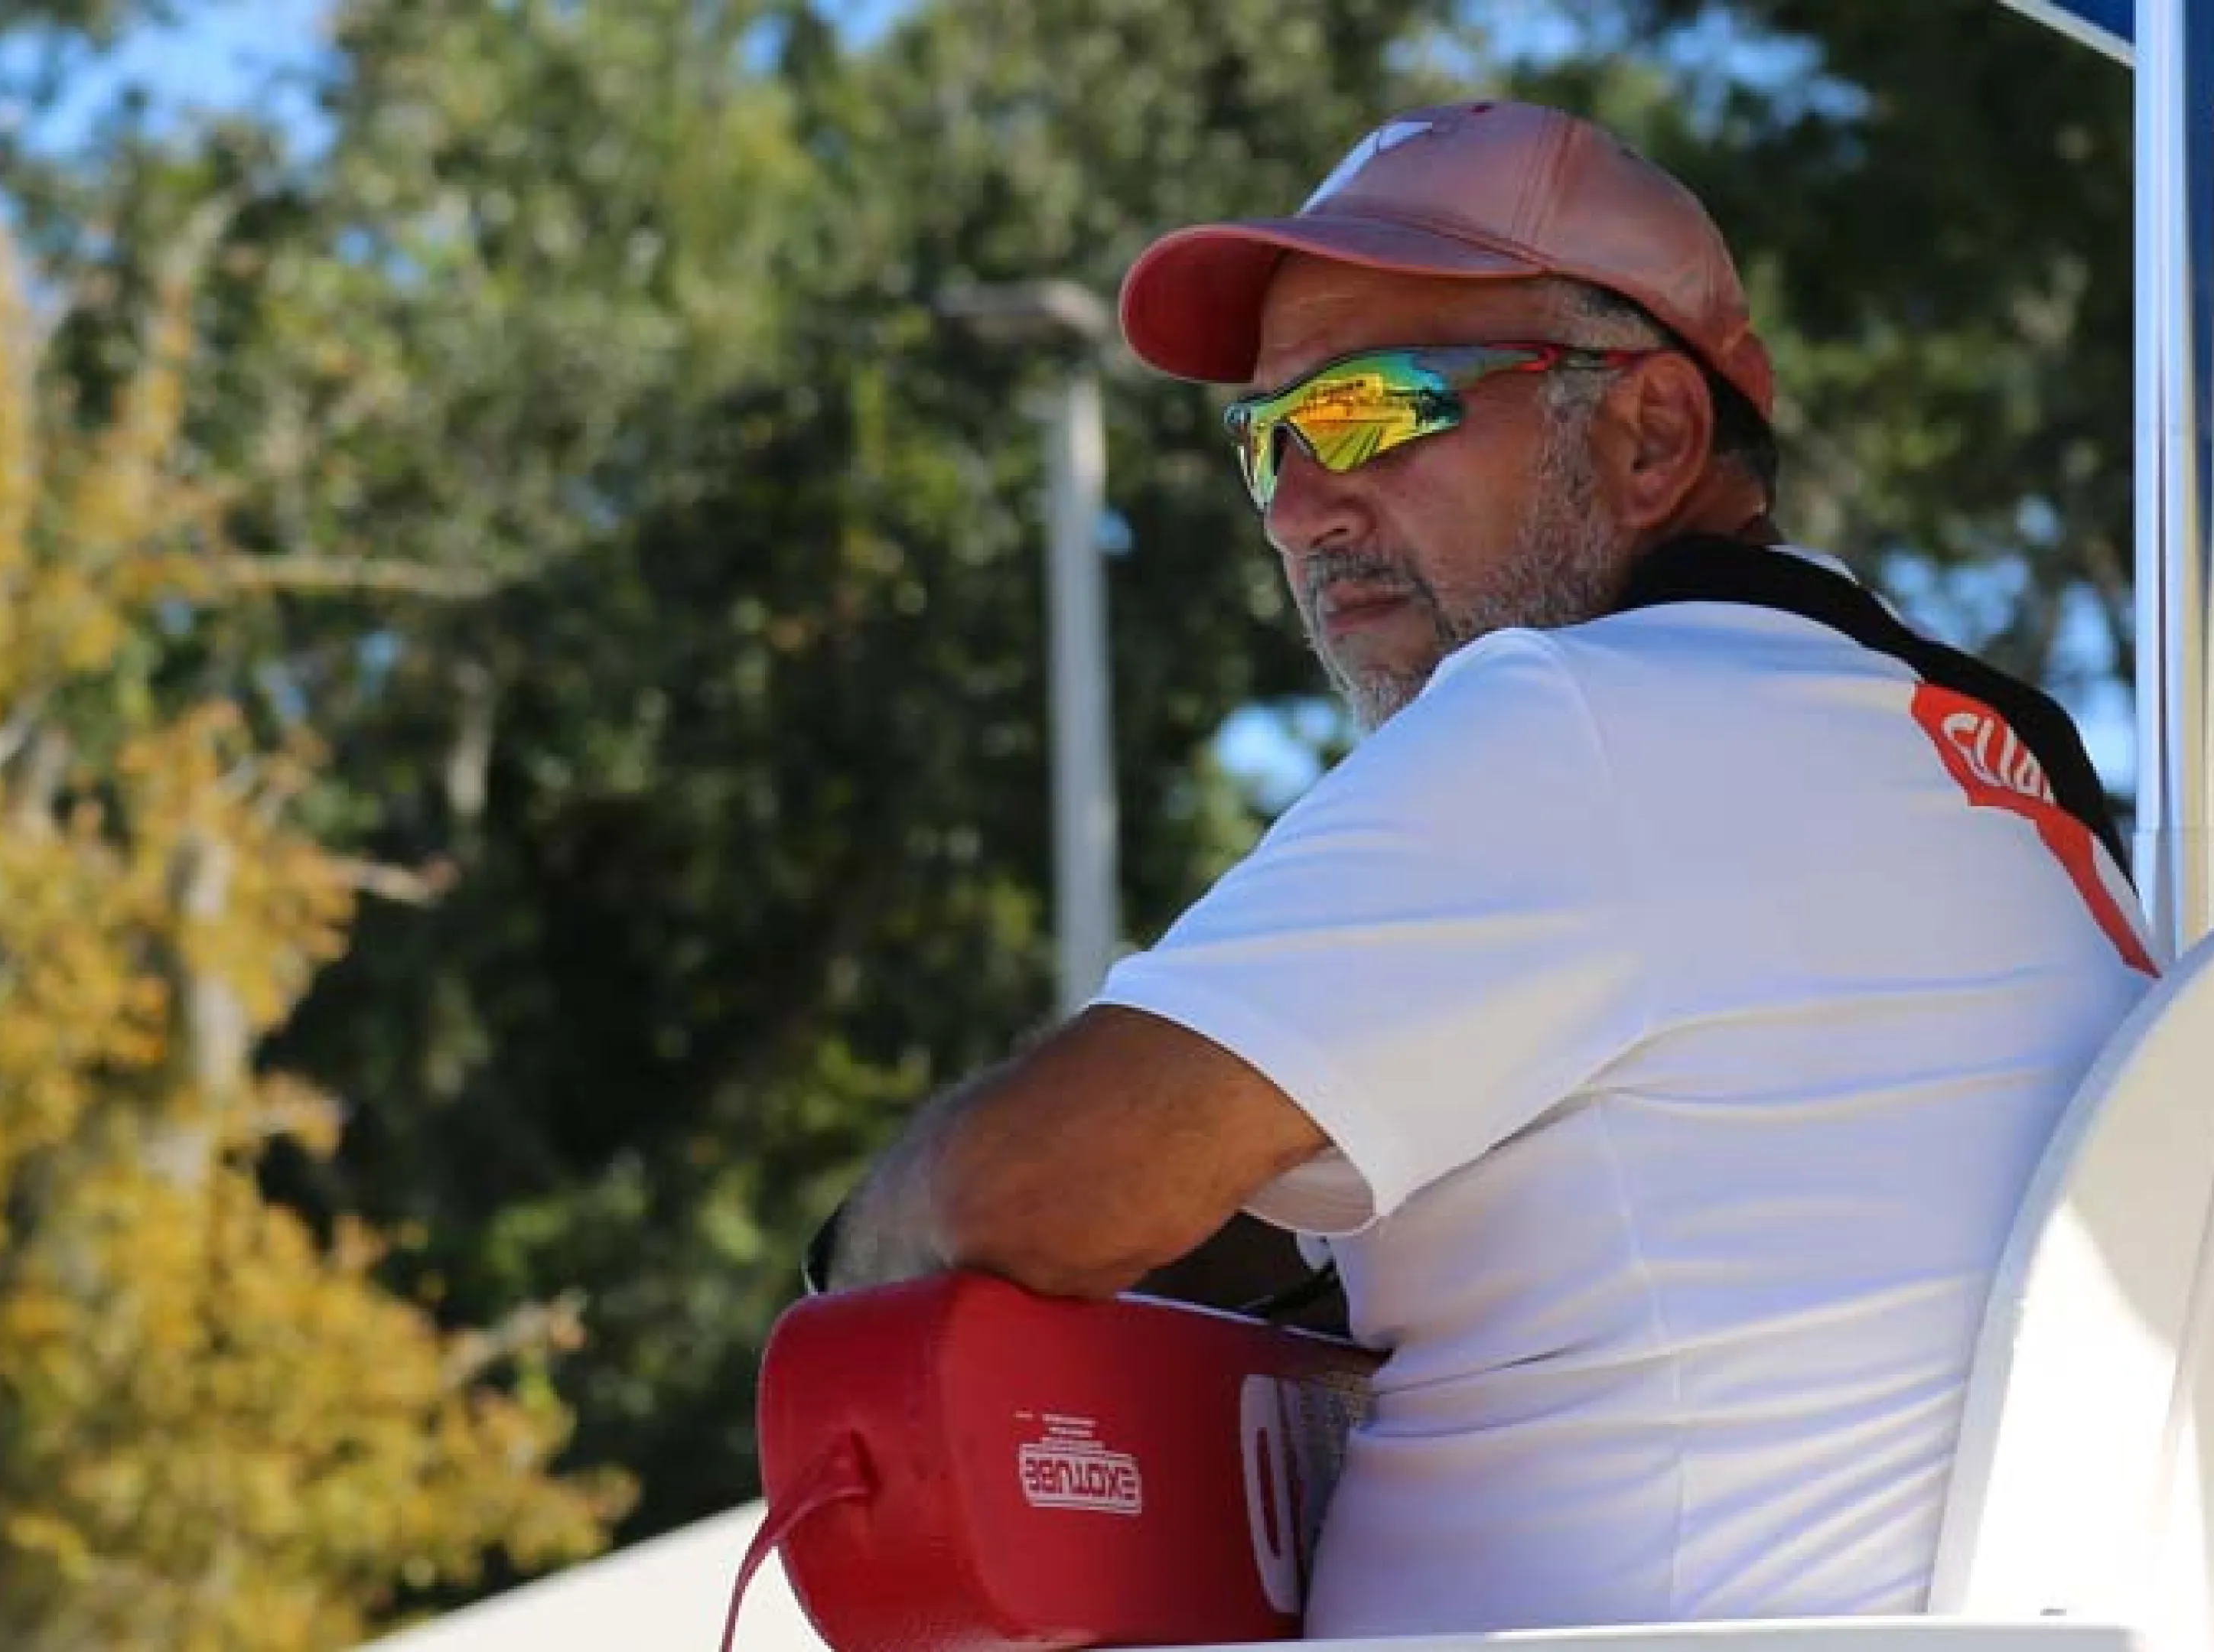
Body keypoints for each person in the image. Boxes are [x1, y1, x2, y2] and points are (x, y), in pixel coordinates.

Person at [807, 99, 2157, 1635]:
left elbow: (1025, 1197)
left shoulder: (1588, 717)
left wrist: (850, 1255)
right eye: (1270, 441)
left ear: (1651, 434)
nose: (1304, 507)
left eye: (1377, 408)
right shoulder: (1988, 779)